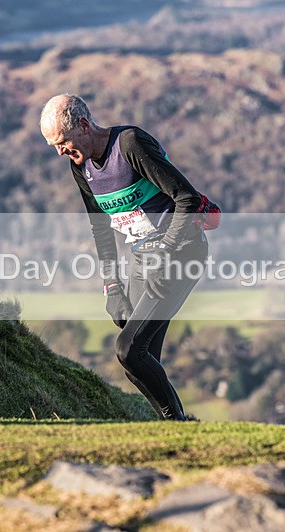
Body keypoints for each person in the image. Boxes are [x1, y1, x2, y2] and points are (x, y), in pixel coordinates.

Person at [39, 93, 209, 421]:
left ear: (84, 126)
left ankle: (177, 424)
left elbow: (187, 199)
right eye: (54, 147)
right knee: (140, 364)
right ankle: (175, 426)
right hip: (142, 259)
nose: (60, 152)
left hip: (182, 251)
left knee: (128, 350)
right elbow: (101, 230)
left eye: (62, 142)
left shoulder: (129, 144)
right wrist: (112, 286)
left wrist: (165, 251)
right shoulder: (81, 167)